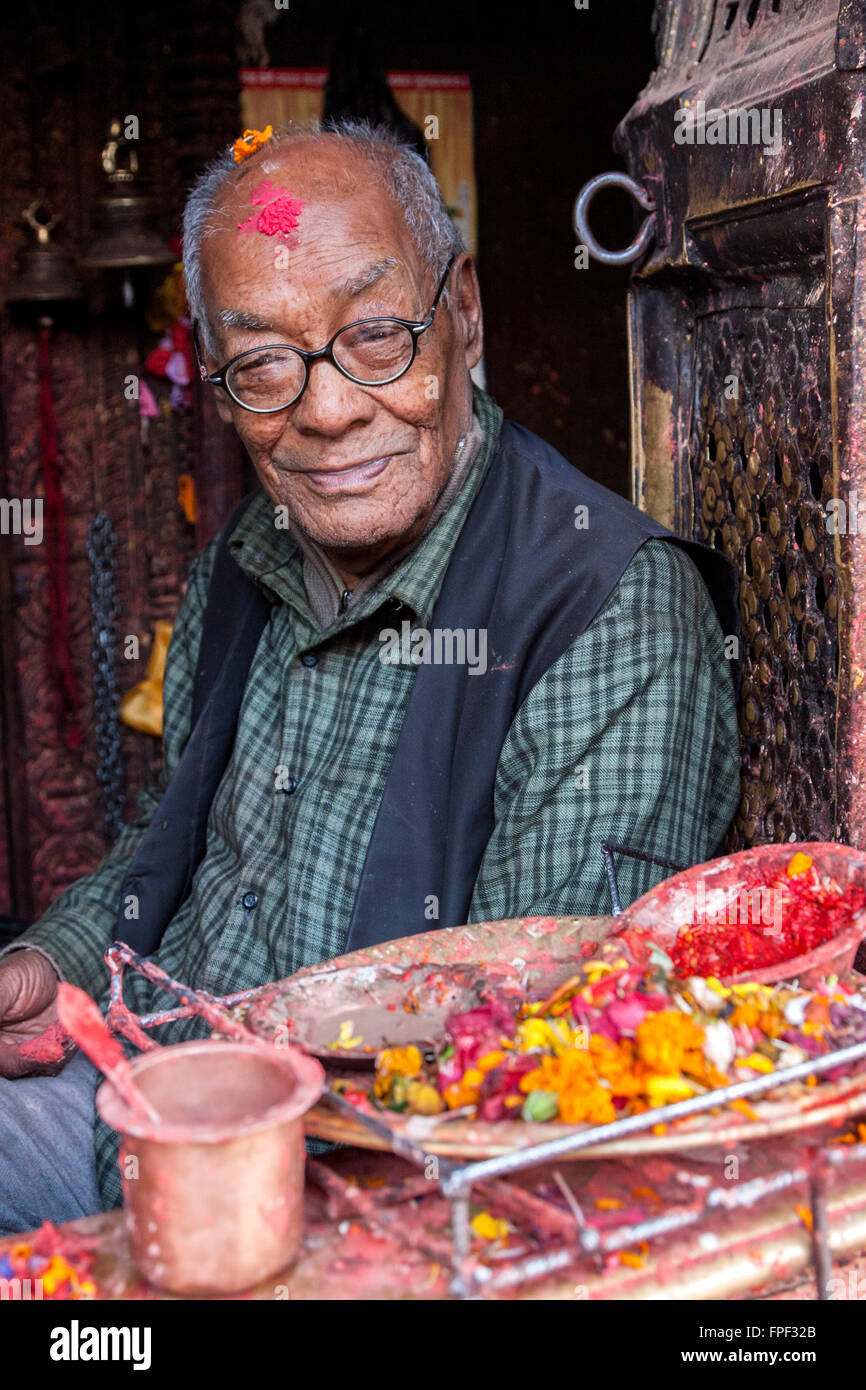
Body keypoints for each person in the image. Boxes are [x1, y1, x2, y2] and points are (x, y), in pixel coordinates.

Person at [0, 120, 741, 1233]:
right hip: (133, 1101)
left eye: (378, 337)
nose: (330, 408)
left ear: (464, 312)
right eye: (261, 364)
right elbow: (169, 840)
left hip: (352, 1184)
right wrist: (48, 963)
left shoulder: (604, 605)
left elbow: (534, 1061)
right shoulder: (247, 563)